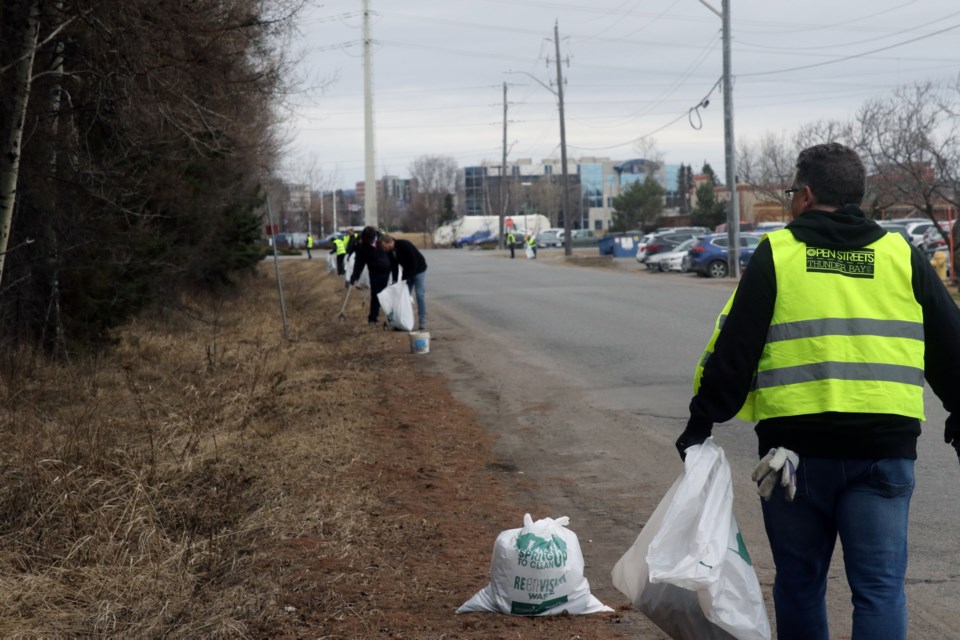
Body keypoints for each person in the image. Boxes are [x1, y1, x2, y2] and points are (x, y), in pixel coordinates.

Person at [674, 142, 960, 640]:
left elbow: (736, 348)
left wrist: (702, 422)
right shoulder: (900, 254)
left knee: (801, 584)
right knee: (880, 590)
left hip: (794, 459)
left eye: (790, 191)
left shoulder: (779, 254)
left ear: (805, 195)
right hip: (884, 452)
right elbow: (950, 341)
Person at [380, 234, 428, 331]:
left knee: (419, 294)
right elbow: (394, 267)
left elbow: (413, 261)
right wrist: (394, 281)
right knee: (403, 297)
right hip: (407, 273)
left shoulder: (404, 244)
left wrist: (409, 278)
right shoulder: (390, 252)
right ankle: (403, 321)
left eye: (385, 247)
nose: (384, 249)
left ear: (390, 242)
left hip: (419, 269)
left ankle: (422, 321)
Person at [348, 226, 393, 326]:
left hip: (388, 271)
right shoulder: (362, 248)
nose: (368, 242)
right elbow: (359, 264)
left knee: (388, 294)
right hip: (374, 273)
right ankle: (372, 318)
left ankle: (390, 317)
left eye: (370, 240)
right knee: (376, 295)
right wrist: (354, 277)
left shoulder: (382, 240)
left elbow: (392, 250)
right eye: (366, 240)